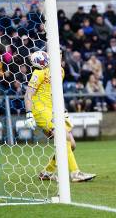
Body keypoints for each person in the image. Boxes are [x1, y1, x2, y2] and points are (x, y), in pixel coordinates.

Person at [24, 51, 96, 182]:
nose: (60, 56)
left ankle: (47, 172)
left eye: (61, 54)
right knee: (64, 138)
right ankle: (75, 173)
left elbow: (55, 93)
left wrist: (61, 110)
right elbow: (28, 94)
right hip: (40, 111)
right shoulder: (39, 72)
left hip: (54, 110)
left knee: (71, 144)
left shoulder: (60, 71)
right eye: (56, 54)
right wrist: (29, 114)